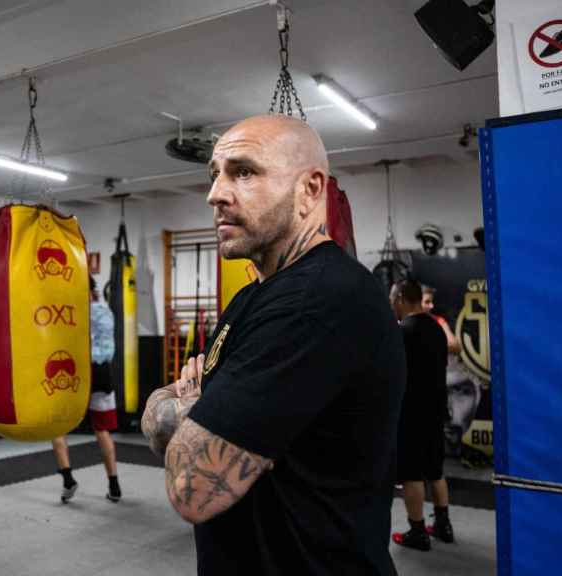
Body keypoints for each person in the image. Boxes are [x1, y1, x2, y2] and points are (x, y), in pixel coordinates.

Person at [141, 115, 406, 575]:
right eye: (214, 174)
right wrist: (202, 414)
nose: (215, 194)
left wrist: (199, 408)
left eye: (243, 172)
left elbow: (191, 488)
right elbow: (169, 425)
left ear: (309, 190)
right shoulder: (252, 297)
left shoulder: (319, 298)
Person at [390, 278, 454, 551]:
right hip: (436, 409)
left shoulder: (403, 331)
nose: (391, 303)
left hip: (411, 412)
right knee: (436, 470)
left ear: (403, 298)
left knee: (411, 475)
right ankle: (443, 525)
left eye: (393, 298)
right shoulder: (437, 328)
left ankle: (417, 532)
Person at [51, 275, 122, 504]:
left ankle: (68, 479)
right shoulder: (106, 311)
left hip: (75, 372)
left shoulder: (70, 312)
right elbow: (107, 348)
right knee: (102, 430)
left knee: (57, 428)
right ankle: (114, 485)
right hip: (101, 372)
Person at [421, 285, 459, 354]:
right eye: (427, 302)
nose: (432, 306)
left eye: (432, 302)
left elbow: (455, 346)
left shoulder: (439, 320)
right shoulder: (403, 322)